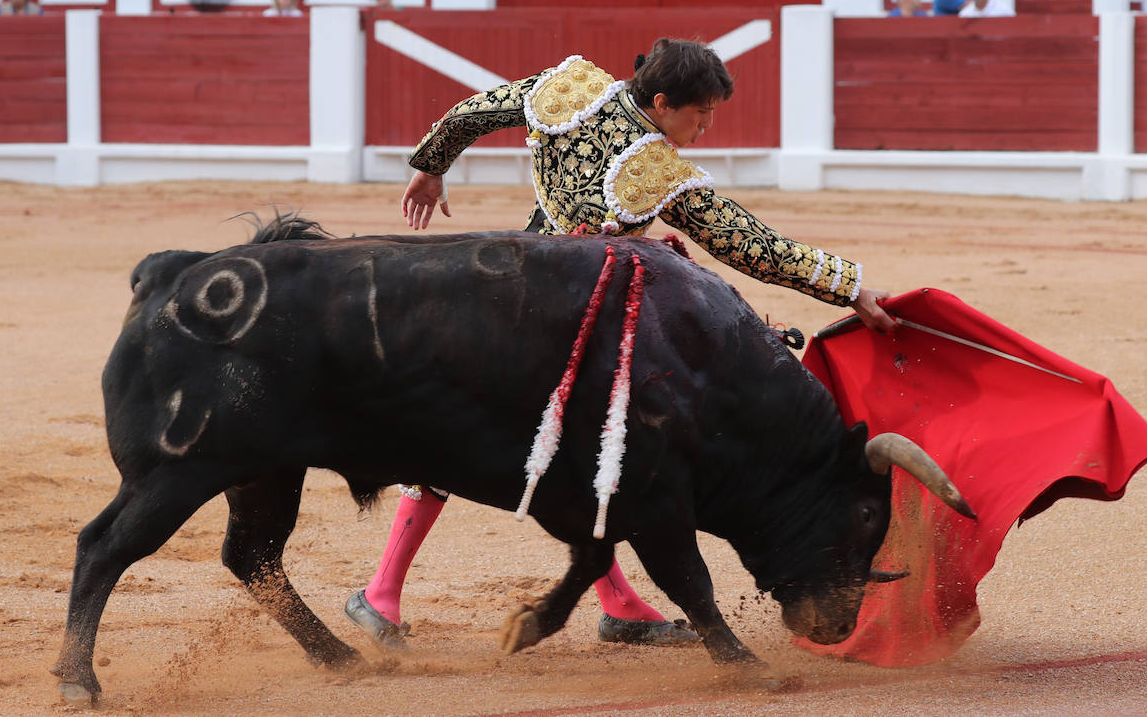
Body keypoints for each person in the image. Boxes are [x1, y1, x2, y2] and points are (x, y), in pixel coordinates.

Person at [344, 39, 900, 652]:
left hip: (506, 288)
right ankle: (380, 591)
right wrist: (848, 287)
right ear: (662, 104)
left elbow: (478, 109)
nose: (706, 127)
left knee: (584, 457)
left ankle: (615, 603)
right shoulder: (658, 173)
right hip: (573, 326)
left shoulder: (573, 91)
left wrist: (431, 164)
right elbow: (748, 243)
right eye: (700, 114)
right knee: (567, 448)